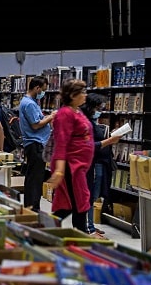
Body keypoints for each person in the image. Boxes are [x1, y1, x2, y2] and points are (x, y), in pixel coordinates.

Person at [47, 79, 93, 233]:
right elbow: (61, 143)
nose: (85, 95)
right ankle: (81, 234)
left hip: (78, 166)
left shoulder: (77, 111)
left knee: (76, 202)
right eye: (83, 92)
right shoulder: (65, 113)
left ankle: (45, 230)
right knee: (77, 202)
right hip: (69, 166)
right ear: (73, 95)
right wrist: (59, 171)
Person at [81, 93, 122, 236]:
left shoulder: (91, 122)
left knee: (94, 195)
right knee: (91, 196)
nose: (100, 110)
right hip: (93, 163)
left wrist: (110, 136)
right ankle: (89, 227)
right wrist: (110, 140)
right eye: (98, 108)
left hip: (99, 162)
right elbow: (90, 145)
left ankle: (90, 225)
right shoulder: (85, 123)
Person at [19, 76, 56, 211]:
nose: (43, 93)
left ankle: (32, 206)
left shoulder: (30, 102)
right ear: (37, 88)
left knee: (33, 177)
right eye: (43, 90)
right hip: (35, 144)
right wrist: (51, 117)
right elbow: (35, 125)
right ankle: (33, 208)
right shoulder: (29, 104)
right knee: (35, 178)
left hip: (35, 143)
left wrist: (46, 118)